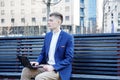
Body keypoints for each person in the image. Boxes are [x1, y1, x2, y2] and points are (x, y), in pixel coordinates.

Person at [20, 12, 74, 80]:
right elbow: (43, 53)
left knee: (39, 78)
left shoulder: (67, 37)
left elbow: (69, 59)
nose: (48, 22)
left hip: (58, 70)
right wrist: (37, 62)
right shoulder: (48, 36)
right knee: (26, 71)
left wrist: (54, 67)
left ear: (58, 22)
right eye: (48, 20)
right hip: (46, 67)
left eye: (51, 20)